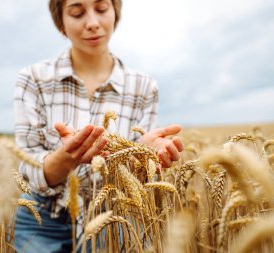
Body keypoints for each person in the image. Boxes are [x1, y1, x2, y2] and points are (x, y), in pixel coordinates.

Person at [12, 0, 184, 252]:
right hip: (41, 220)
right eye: (77, 12)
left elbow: (133, 175)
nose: (92, 23)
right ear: (61, 23)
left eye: (102, 9)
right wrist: (66, 158)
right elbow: (26, 167)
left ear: (116, 13)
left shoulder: (144, 87)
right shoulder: (33, 79)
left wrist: (145, 155)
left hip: (115, 218)